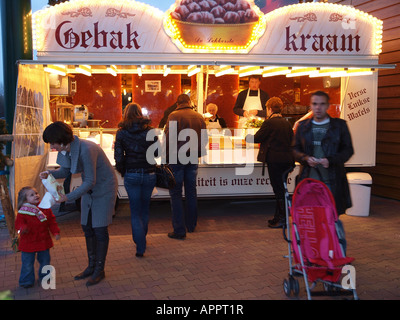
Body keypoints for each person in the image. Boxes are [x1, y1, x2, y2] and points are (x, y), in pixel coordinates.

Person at [39, 121, 117, 286]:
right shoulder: (68, 148)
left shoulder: (87, 149)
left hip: (104, 188)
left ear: (61, 139)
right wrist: (50, 173)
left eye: (53, 143)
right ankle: (91, 266)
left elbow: (90, 180)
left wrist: (68, 197)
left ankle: (99, 270)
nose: (52, 146)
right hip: (89, 189)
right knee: (87, 227)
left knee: (100, 229)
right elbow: (66, 170)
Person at [293, 91, 354, 250]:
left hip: (332, 182)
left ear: (327, 106)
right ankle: (316, 254)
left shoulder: (339, 125)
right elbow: (294, 149)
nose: (318, 107)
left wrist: (331, 160)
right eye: (314, 104)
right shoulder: (302, 126)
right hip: (309, 183)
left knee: (333, 219)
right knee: (311, 220)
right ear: (310, 105)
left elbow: (348, 150)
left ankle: (340, 254)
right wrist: (305, 158)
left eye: (321, 104)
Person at [114, 103, 158, 257]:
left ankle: (140, 244)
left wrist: (123, 171)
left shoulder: (121, 133)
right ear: (140, 113)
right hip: (149, 173)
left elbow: (118, 157)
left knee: (135, 211)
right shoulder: (150, 131)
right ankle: (142, 239)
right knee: (145, 208)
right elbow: (157, 152)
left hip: (131, 173)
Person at [164, 94, 208, 239]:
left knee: (175, 193)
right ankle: (191, 225)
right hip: (193, 157)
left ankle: (179, 229)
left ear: (177, 103)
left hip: (176, 158)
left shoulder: (173, 115)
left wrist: (165, 158)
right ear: (189, 102)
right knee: (191, 191)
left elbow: (168, 138)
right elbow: (205, 138)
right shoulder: (199, 116)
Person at [247, 97, 294, 228]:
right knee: (282, 189)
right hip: (287, 161)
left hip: (275, 160)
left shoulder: (269, 123)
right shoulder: (286, 123)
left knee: (278, 189)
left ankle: (282, 219)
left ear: (269, 109)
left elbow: (257, 137)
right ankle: (279, 217)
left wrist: (246, 137)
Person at [15, 186, 60, 288]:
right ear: (25, 199)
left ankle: (45, 276)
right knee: (27, 263)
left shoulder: (45, 207)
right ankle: (26, 280)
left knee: (45, 260)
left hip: (43, 240)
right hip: (28, 242)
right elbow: (18, 225)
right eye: (32, 195)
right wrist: (22, 228)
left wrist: (56, 232)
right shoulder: (23, 212)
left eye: (36, 193)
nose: (36, 195)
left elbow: (51, 221)